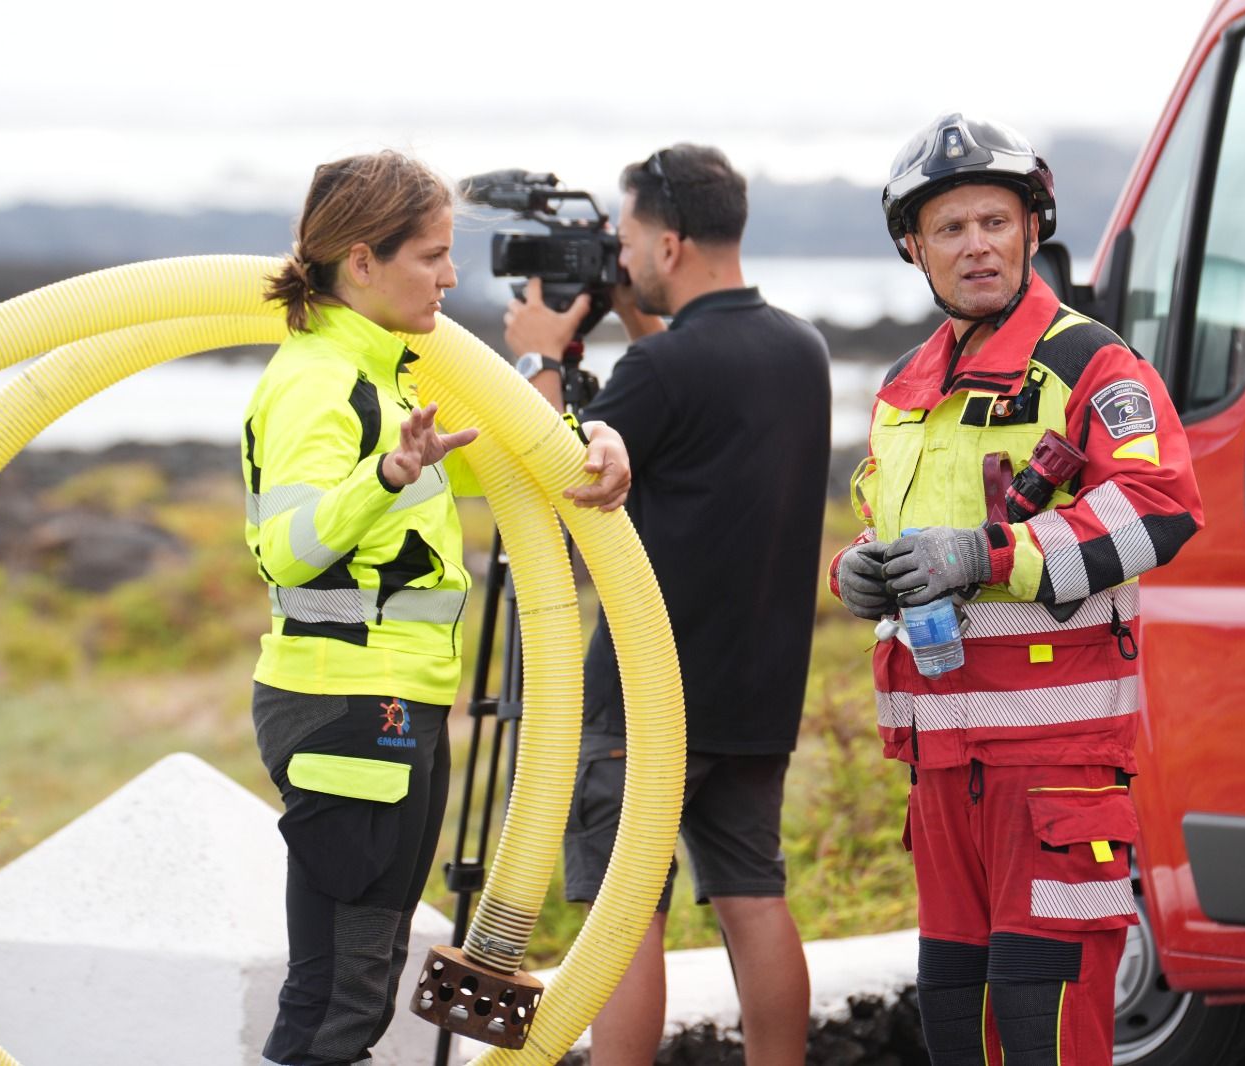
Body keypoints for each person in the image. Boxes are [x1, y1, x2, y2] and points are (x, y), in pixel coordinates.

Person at [830, 114, 1203, 1066]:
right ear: (913, 246)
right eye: (950, 229)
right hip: (942, 771)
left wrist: (991, 554)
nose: (977, 246)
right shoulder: (905, 389)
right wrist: (858, 572)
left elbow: (1161, 508)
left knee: (1045, 1028)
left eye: (995, 222)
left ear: (1031, 229)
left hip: (1056, 769)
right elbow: (891, 530)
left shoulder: (1092, 364)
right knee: (960, 1027)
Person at [244, 149, 630, 1066]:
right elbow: (286, 548)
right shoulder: (318, 382)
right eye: (430, 255)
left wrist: (595, 440)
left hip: (399, 704)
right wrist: (385, 475)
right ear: (361, 260)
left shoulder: (393, 377)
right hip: (344, 703)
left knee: (362, 989)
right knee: (334, 999)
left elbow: (512, 453)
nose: (452, 276)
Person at [503, 143, 830, 1066]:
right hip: (759, 691)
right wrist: (642, 320)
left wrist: (535, 354)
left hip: (646, 694)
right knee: (753, 897)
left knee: (623, 911)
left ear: (672, 242)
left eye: (631, 235)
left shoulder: (665, 372)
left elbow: (552, 467)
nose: (622, 254)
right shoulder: (799, 349)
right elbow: (690, 397)